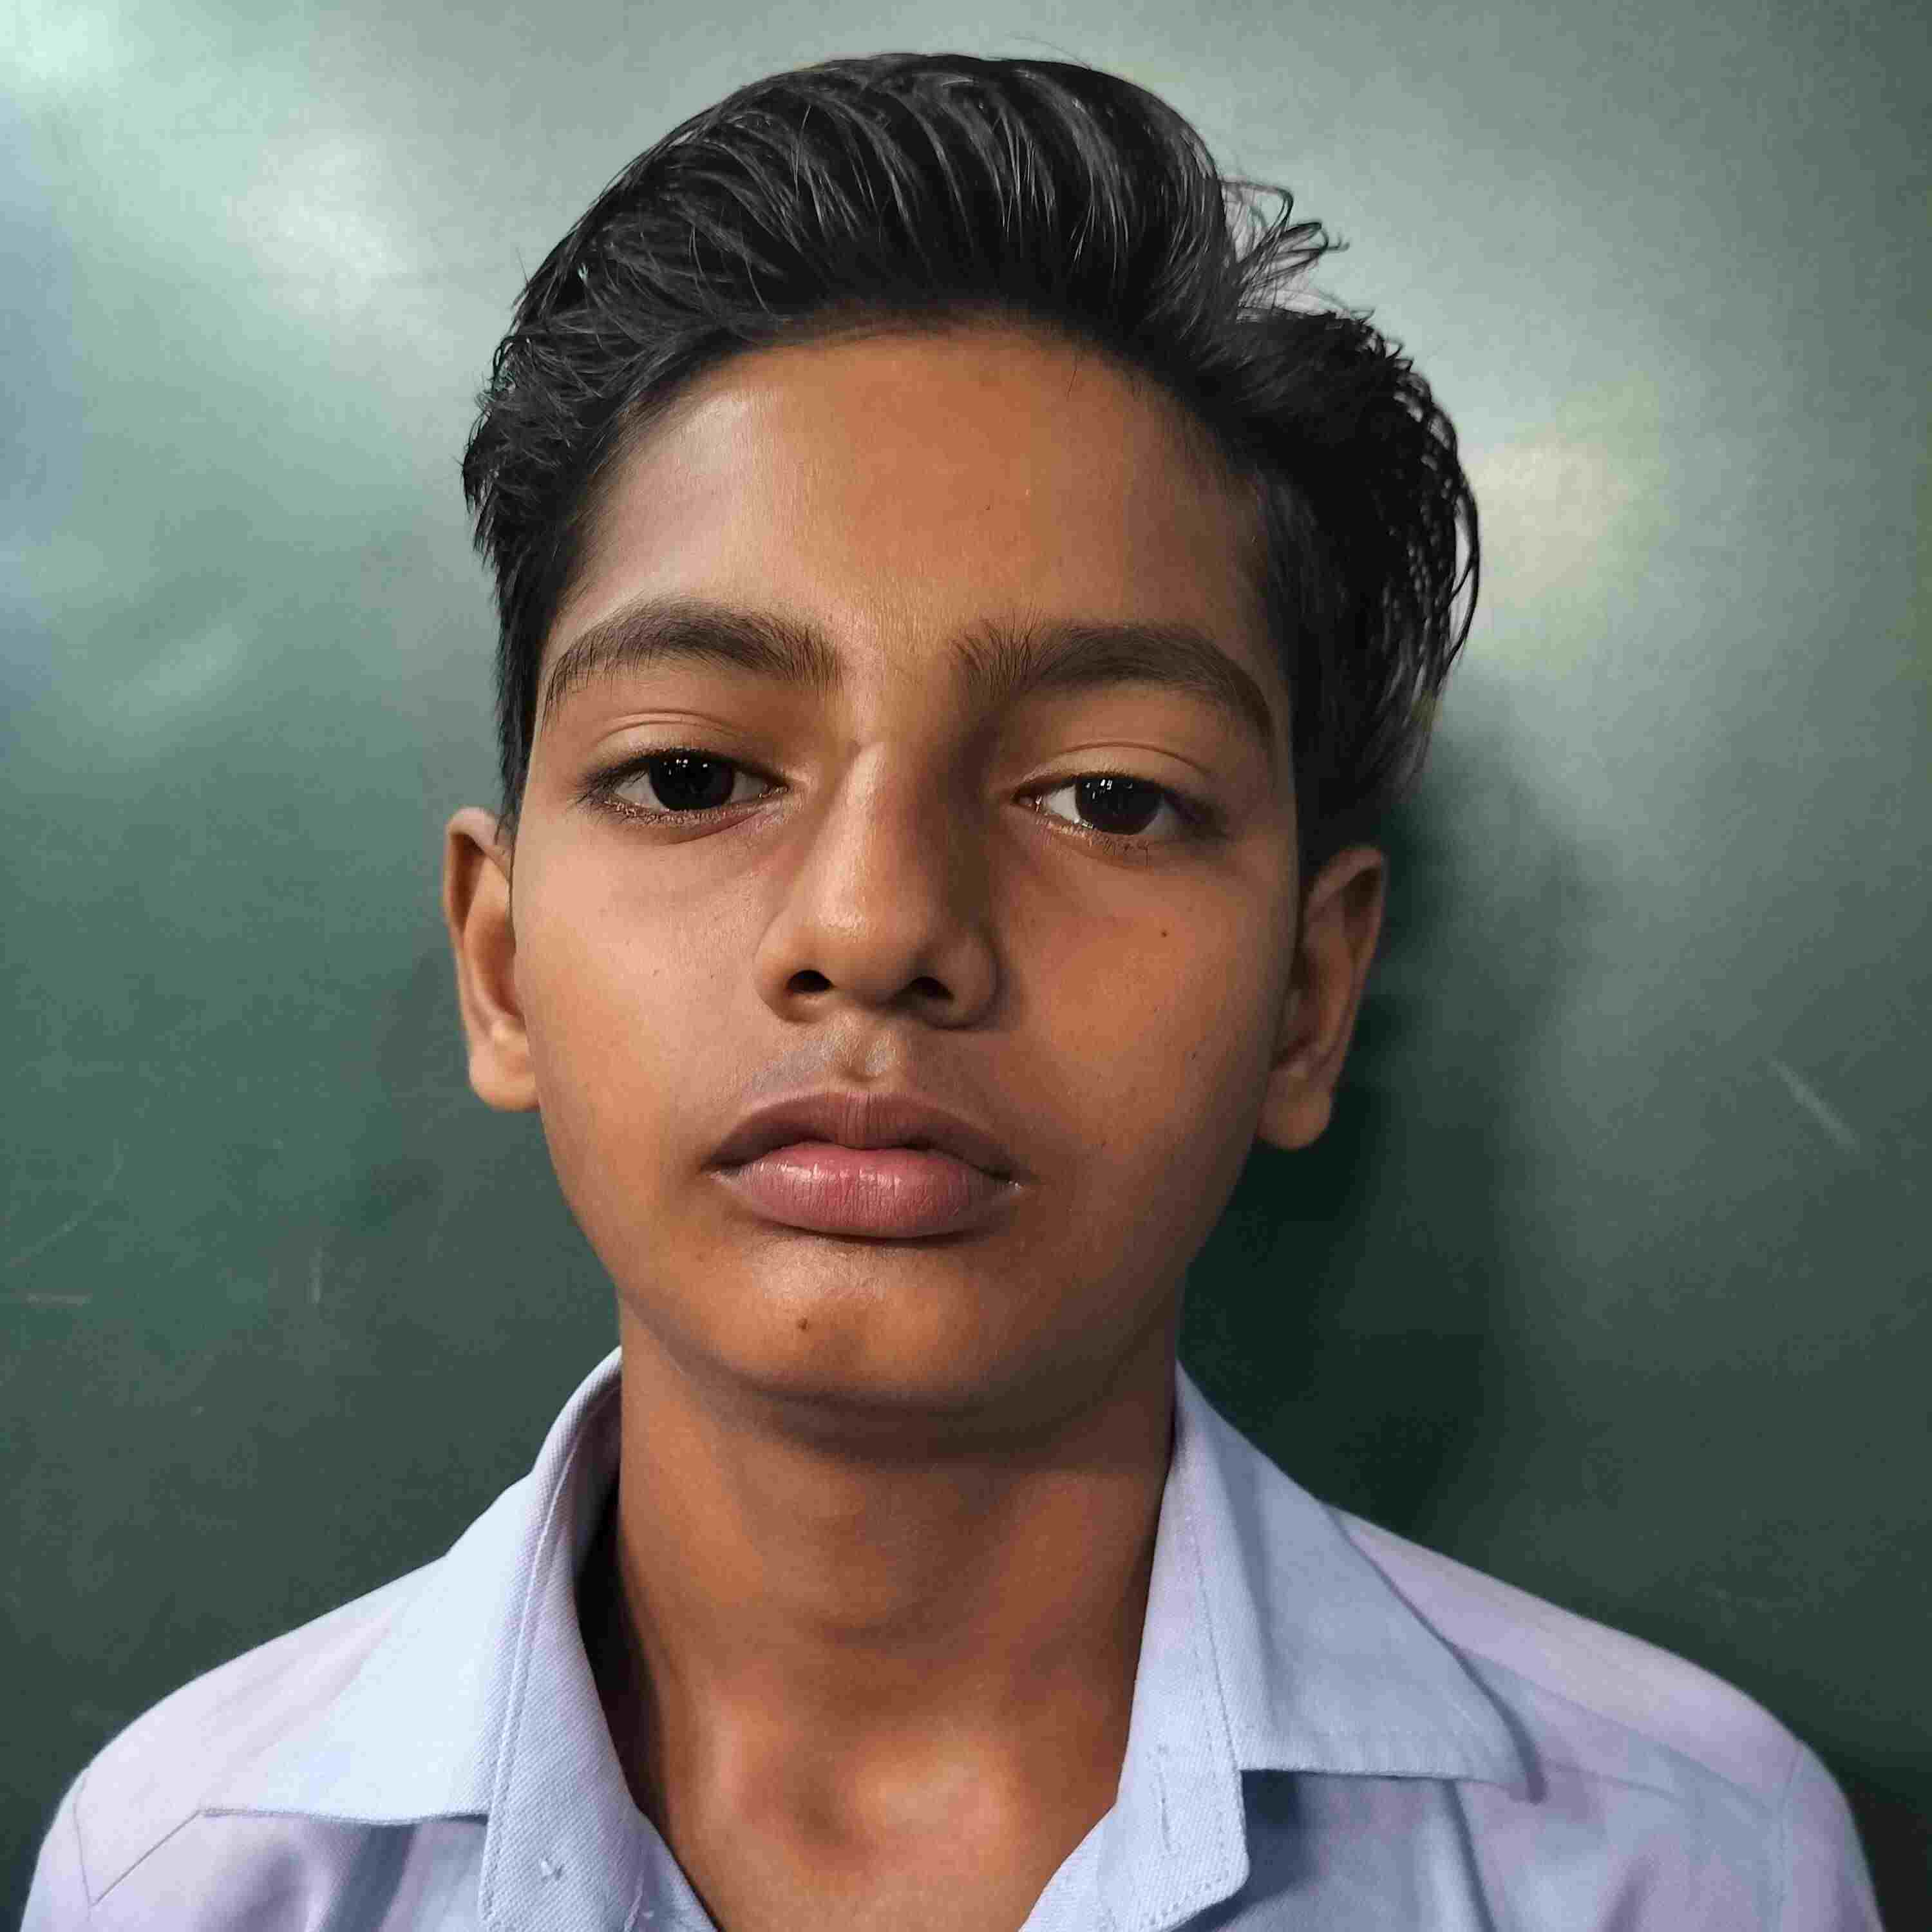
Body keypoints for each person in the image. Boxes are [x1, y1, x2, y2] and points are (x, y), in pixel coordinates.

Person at [23, 51, 1882, 1932]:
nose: (875, 922)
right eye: (693, 773)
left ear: (1311, 998)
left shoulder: (1680, 1872)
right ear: (499, 964)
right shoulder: (188, 1877)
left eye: (1109, 797)